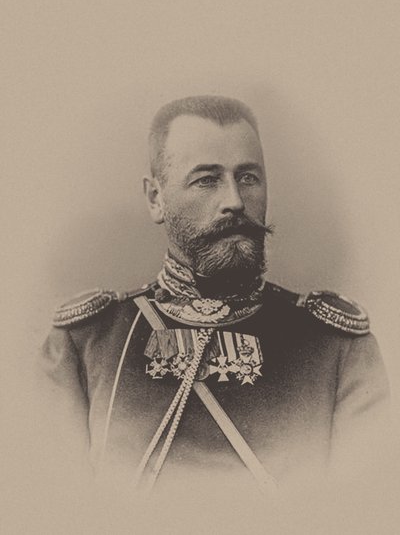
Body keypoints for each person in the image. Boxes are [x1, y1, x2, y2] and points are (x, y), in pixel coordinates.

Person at [40, 95, 389, 501]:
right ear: (156, 199)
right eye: (207, 179)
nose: (235, 202)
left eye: (248, 177)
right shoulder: (84, 346)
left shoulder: (337, 350)